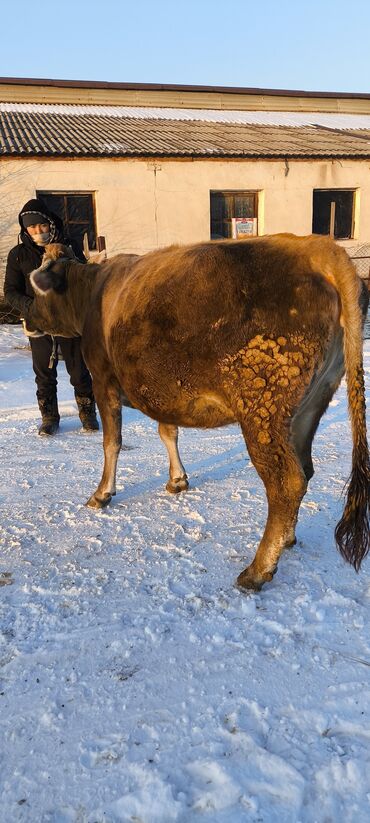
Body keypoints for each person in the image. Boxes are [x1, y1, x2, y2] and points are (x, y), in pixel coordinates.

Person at [4, 198, 99, 436]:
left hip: (68, 321)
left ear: (50, 223)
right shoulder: (18, 255)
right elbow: (10, 291)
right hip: (38, 323)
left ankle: (88, 413)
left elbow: (84, 280)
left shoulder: (69, 246)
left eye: (41, 225)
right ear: (25, 229)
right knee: (44, 373)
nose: (37, 231)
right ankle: (49, 416)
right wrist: (32, 307)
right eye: (31, 227)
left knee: (79, 371)